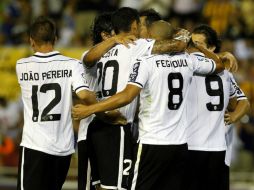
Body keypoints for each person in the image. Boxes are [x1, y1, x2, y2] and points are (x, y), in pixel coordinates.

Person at [72, 20, 226, 190]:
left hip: (151, 142)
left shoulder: (145, 62)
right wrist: (200, 48)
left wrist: (90, 109)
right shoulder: (188, 61)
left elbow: (127, 96)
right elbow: (219, 65)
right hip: (179, 144)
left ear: (152, 39)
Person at [16, 16, 96, 190]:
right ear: (56, 39)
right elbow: (84, 94)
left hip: (34, 146)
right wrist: (102, 105)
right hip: (63, 149)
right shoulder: (72, 64)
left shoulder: (21, 65)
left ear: (31, 41)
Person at [185, 24, 250, 190]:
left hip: (191, 145)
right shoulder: (225, 73)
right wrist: (233, 116)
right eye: (192, 43)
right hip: (217, 147)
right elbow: (241, 102)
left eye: (198, 44)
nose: (192, 48)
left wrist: (234, 116)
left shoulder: (186, 67)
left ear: (211, 47)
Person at [77, 12, 132, 190]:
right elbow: (88, 60)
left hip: (94, 130)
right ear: (105, 34)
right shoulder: (93, 54)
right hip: (97, 127)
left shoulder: (109, 52)